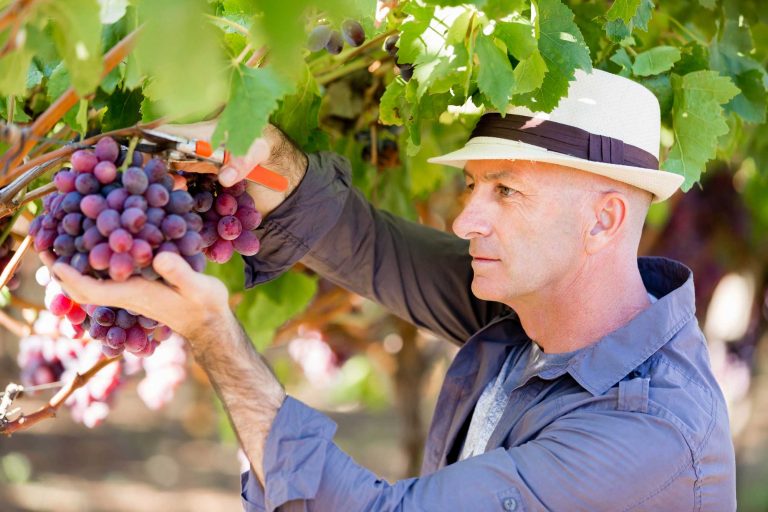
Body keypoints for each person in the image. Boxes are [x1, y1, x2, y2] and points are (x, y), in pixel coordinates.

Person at [50, 69, 737, 511]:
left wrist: (215, 338)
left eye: (505, 191)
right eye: (472, 186)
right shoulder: (539, 312)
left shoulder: (643, 436)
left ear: (604, 220)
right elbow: (367, 243)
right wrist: (267, 154)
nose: (467, 218)